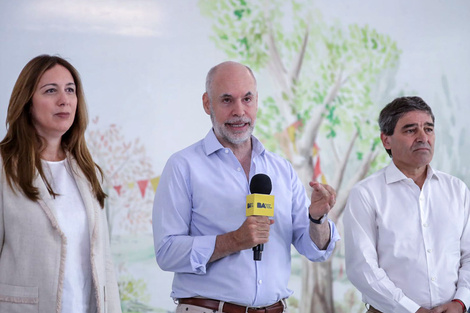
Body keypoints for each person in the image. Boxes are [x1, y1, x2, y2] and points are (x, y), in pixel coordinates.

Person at [152, 61, 340, 313]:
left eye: (247, 99)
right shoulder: (183, 166)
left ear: (257, 101)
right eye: (227, 100)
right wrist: (233, 241)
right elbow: (167, 253)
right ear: (207, 103)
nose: (239, 111)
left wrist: (317, 218)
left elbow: (315, 250)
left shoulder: (282, 169)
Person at [0, 55, 122, 313]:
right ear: (27, 102)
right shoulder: (4, 167)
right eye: (50, 91)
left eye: (70, 90)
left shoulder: (90, 172)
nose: (64, 100)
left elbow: (105, 262)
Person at [343, 96, 470, 313]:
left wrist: (460, 302)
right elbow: (363, 269)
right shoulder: (366, 194)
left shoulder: (456, 189)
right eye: (411, 130)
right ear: (386, 140)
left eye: (428, 129)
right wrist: (411, 310)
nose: (423, 137)